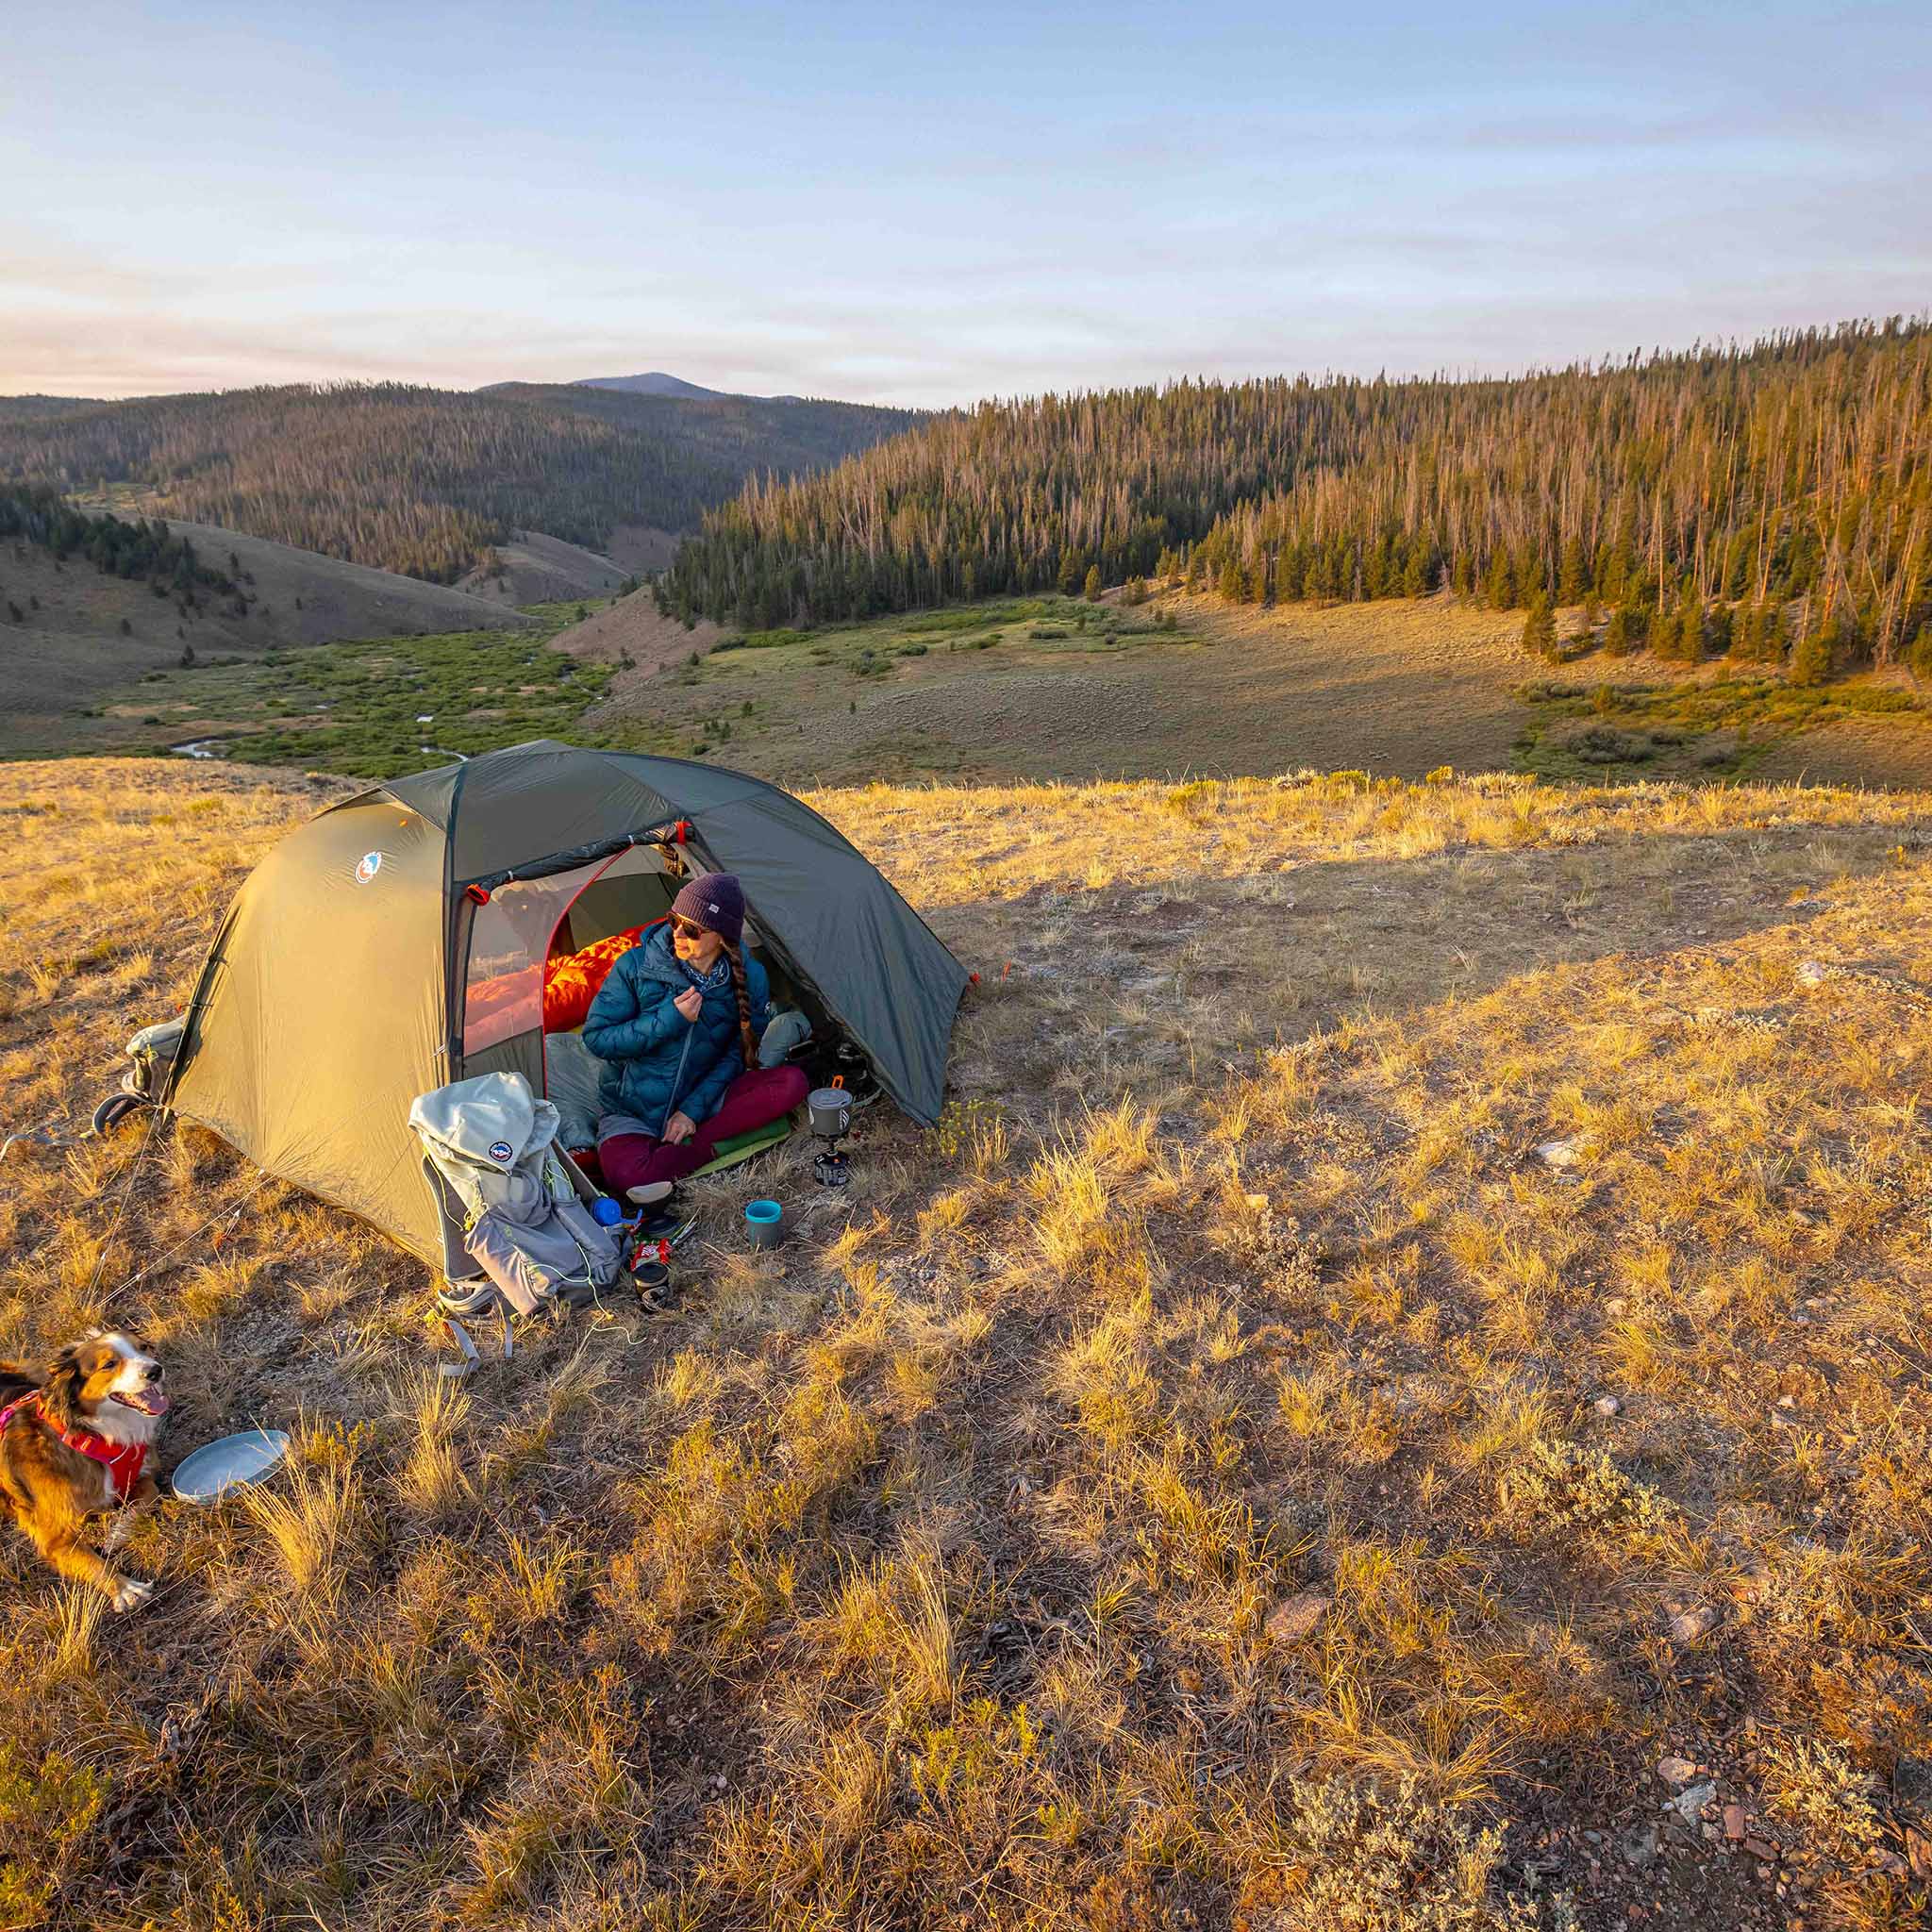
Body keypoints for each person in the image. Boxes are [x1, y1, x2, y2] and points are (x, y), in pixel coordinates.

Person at [582, 872, 808, 1201]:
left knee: (792, 1083)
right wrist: (669, 1020)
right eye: (674, 920)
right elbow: (596, 1039)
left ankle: (687, 1147)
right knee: (627, 1177)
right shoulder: (635, 966)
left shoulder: (751, 976)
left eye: (691, 929)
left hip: (705, 1099)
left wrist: (691, 1110)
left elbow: (738, 1054)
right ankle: (707, 1146)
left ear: (722, 937)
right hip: (633, 1110)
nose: (677, 933)